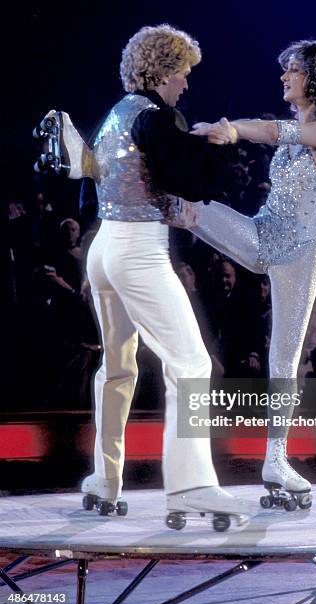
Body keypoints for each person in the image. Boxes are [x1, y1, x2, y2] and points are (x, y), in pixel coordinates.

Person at [48, 24, 248, 526]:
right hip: (138, 252)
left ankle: (104, 480)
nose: (186, 84)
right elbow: (194, 180)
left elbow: (99, 184)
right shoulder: (159, 118)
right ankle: (191, 487)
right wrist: (220, 142)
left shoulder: (117, 113)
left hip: (106, 246)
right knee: (191, 363)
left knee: (118, 369)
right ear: (164, 71)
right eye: (184, 73)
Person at [179, 40, 316, 508]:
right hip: (262, 235)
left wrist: (232, 129)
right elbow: (272, 132)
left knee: (284, 361)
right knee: (189, 209)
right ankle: (113, 176)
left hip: (299, 255)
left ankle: (276, 458)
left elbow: (267, 131)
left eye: (293, 70)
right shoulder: (301, 130)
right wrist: (224, 132)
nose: (284, 78)